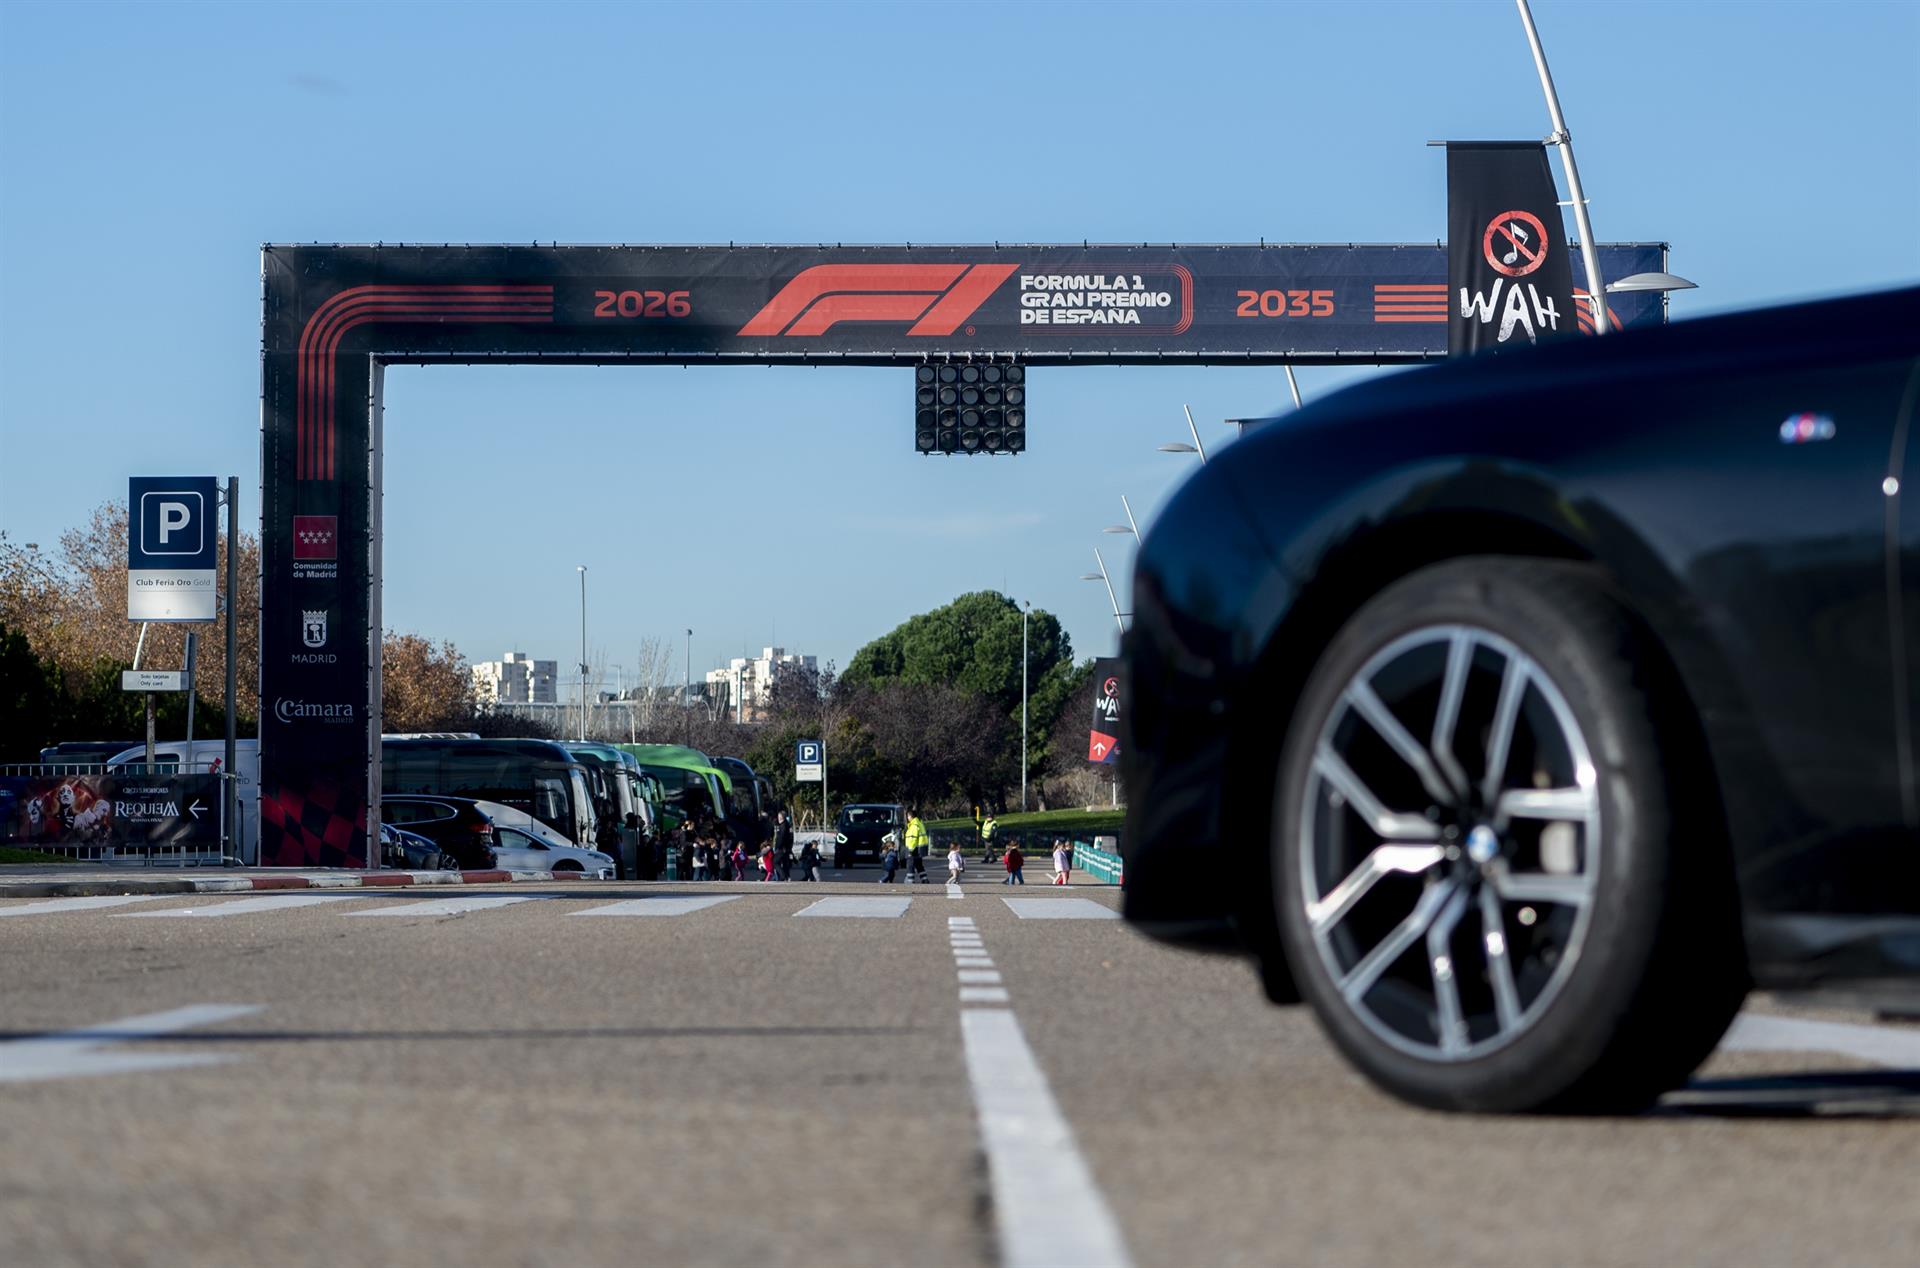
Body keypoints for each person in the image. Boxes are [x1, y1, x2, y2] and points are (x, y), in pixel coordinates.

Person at [903, 809, 930, 884]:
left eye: (908, 816)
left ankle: (910, 880)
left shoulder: (914, 825)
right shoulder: (919, 823)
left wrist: (910, 850)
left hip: (913, 849)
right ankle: (924, 879)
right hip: (919, 848)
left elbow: (913, 838)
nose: (907, 818)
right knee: (919, 865)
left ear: (910, 816)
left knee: (910, 865)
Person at [774, 812, 795, 881]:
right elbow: (791, 837)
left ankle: (784, 876)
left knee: (775, 862)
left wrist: (777, 847)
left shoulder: (783, 826)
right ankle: (787, 876)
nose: (778, 818)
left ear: (781, 817)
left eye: (779, 816)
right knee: (785, 862)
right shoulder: (788, 825)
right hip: (787, 848)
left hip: (782, 848)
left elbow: (781, 838)